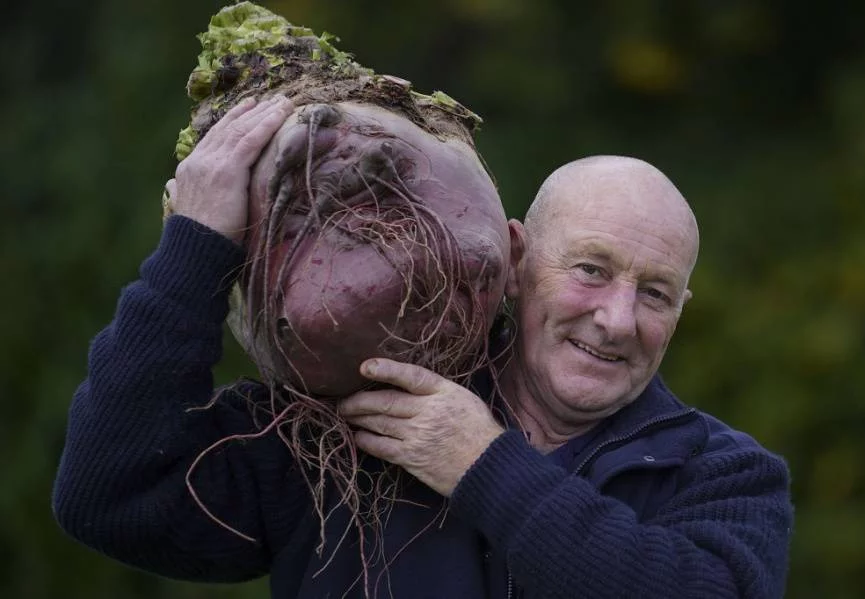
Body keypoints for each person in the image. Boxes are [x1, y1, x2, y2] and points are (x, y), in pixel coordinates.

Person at [53, 96, 793, 598]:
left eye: (655, 293)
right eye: (591, 272)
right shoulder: (344, 428)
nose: (617, 318)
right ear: (512, 261)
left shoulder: (726, 475)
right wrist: (197, 249)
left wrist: (482, 464)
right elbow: (107, 495)